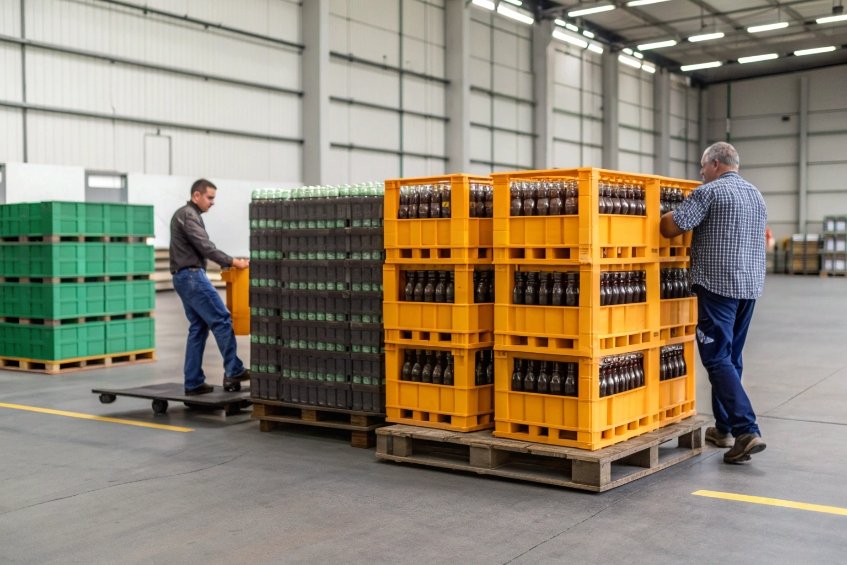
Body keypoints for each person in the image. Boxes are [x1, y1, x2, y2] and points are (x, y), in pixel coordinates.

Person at [659, 142, 767, 464]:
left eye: (703, 167)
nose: (701, 173)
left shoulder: (710, 193)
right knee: (731, 356)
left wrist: (663, 212)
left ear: (716, 164)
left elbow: (670, 228)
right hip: (748, 287)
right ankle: (724, 430)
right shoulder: (755, 195)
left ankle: (746, 429)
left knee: (716, 356)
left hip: (718, 286)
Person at [170, 179, 250, 395]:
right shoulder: (188, 215)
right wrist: (234, 261)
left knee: (198, 327)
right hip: (192, 277)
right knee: (222, 319)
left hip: (183, 277)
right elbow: (205, 247)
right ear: (197, 195)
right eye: (210, 197)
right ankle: (234, 369)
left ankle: (193, 382)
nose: (213, 202)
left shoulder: (186, 214)